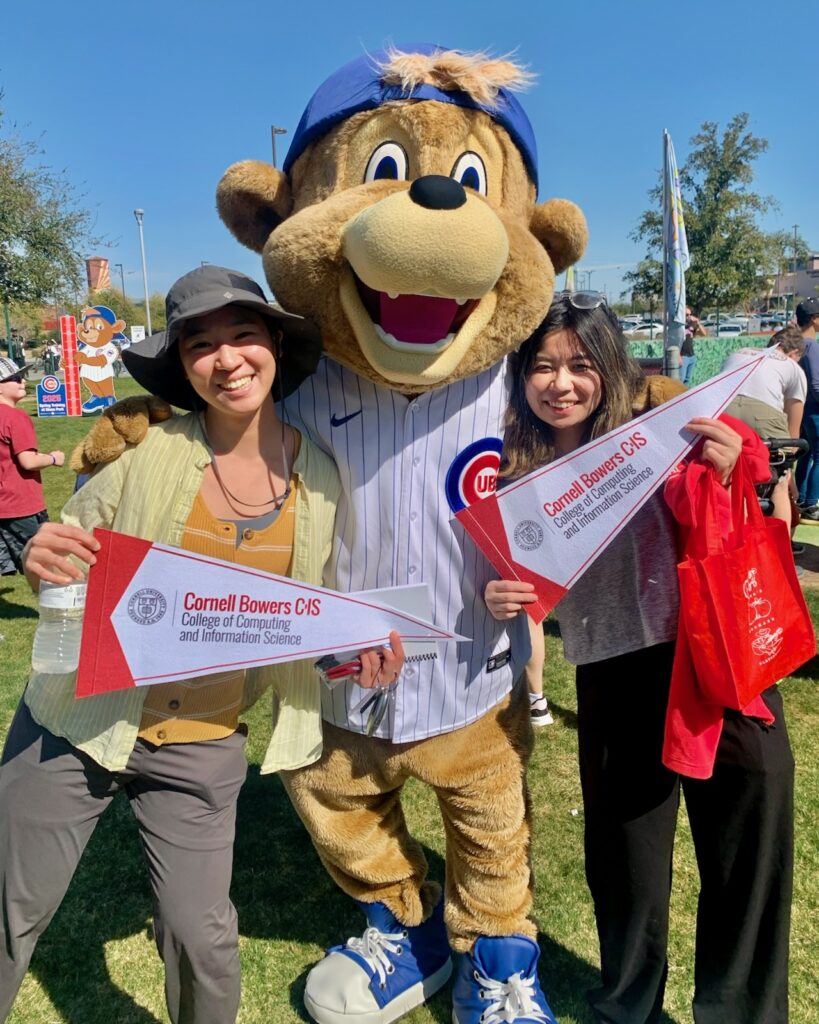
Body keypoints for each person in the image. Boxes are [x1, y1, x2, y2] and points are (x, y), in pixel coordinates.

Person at [0, 266, 404, 1024]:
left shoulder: (321, 477)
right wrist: (41, 561)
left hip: (203, 741)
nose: (226, 359)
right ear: (183, 366)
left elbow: (302, 619)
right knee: (9, 910)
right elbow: (68, 565)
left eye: (243, 335)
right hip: (79, 721)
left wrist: (354, 653)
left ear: (275, 345)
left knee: (200, 934)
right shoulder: (146, 454)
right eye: (201, 345)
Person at [485, 294, 794, 1024]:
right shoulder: (511, 467)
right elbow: (500, 573)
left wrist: (727, 470)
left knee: (747, 852)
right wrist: (497, 592)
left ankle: (743, 1012)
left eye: (579, 365)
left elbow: (750, 486)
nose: (560, 383)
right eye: (542, 367)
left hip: (714, 662)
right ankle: (628, 1009)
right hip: (613, 675)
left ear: (609, 368)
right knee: (626, 868)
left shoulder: (662, 432)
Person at [0, 355, 65, 577]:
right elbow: (29, 461)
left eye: (22, 377)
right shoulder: (16, 418)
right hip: (21, 505)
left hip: (3, 505)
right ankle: (59, 610)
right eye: (15, 379)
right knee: (45, 566)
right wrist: (54, 458)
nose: (23, 382)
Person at [793, 297, 819, 517]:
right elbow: (817, 384)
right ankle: (810, 503)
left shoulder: (797, 342)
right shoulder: (812, 345)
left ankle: (800, 499)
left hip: (801, 408)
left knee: (805, 454)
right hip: (814, 410)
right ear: (814, 319)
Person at [680, 306, 705, 386]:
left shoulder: (691, 326)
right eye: (686, 315)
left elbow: (703, 334)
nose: (689, 317)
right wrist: (678, 356)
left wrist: (698, 322)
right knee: (681, 379)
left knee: (687, 380)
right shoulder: (679, 327)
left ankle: (684, 396)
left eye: (689, 315)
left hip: (691, 356)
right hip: (683, 356)